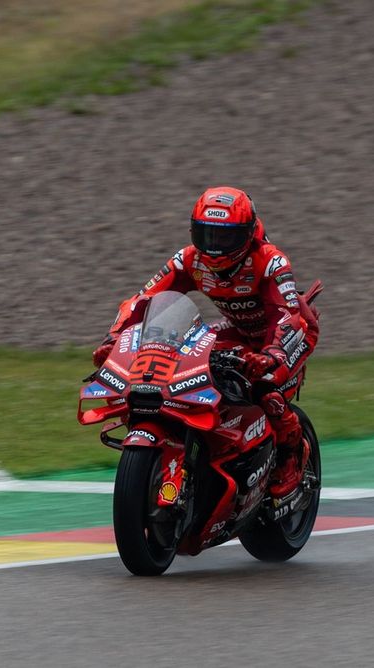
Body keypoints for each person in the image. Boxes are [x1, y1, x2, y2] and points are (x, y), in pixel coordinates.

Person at [93, 186, 320, 504]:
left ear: (247, 233)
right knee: (182, 356)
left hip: (288, 334)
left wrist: (272, 355)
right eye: (206, 235)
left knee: (264, 387)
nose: (213, 248)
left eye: (224, 238)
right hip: (239, 331)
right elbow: (142, 301)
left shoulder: (270, 262)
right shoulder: (188, 259)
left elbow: (286, 315)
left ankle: (292, 457)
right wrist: (114, 339)